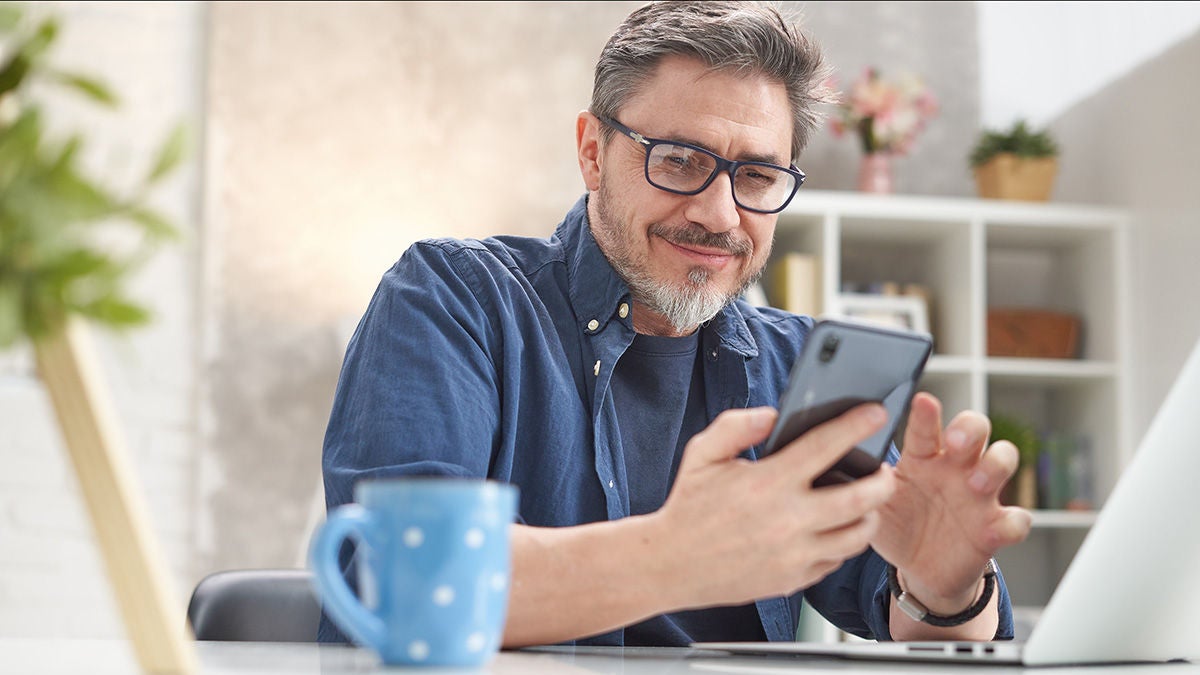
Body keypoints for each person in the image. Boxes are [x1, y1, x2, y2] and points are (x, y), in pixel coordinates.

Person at [320, 0, 1032, 647]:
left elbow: (907, 617)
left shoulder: (795, 364)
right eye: (681, 160)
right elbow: (406, 585)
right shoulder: (455, 299)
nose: (720, 214)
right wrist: (679, 554)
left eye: (756, 177)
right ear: (593, 152)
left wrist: (944, 586)